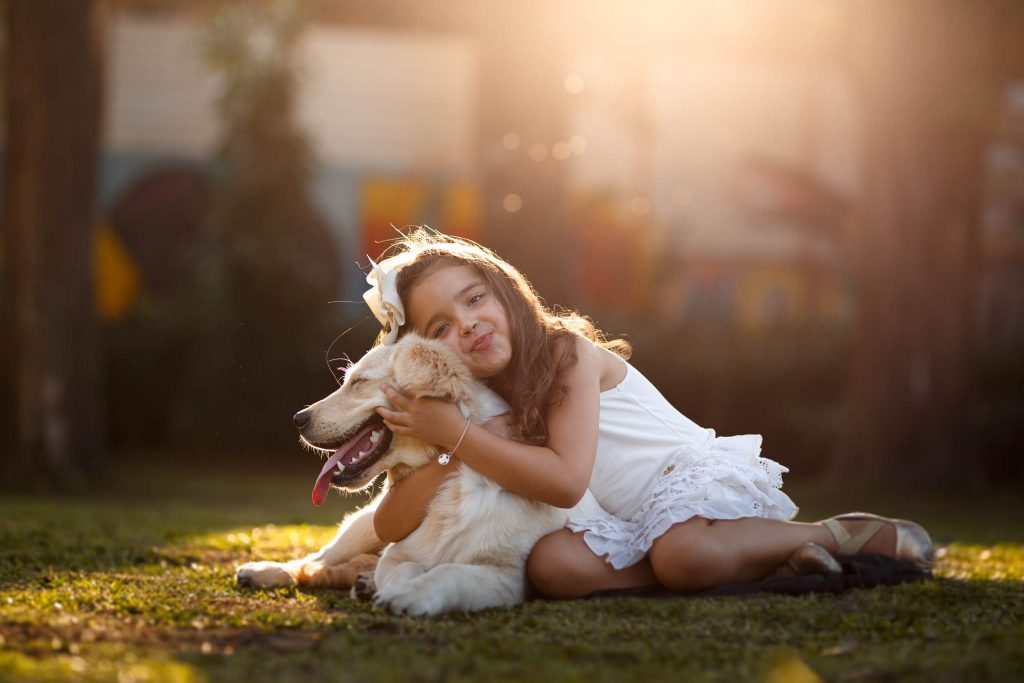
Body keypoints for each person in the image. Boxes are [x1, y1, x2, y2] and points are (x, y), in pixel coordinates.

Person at [363, 230, 933, 598]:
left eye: (474, 298)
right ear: (426, 350)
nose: (466, 324)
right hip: (619, 525)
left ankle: (834, 535)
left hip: (680, 485)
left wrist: (458, 436)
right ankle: (755, 564)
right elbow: (389, 526)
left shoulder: (563, 354)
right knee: (552, 568)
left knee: (682, 553)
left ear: (505, 292)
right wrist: (444, 443)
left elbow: (564, 483)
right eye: (440, 327)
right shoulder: (476, 406)